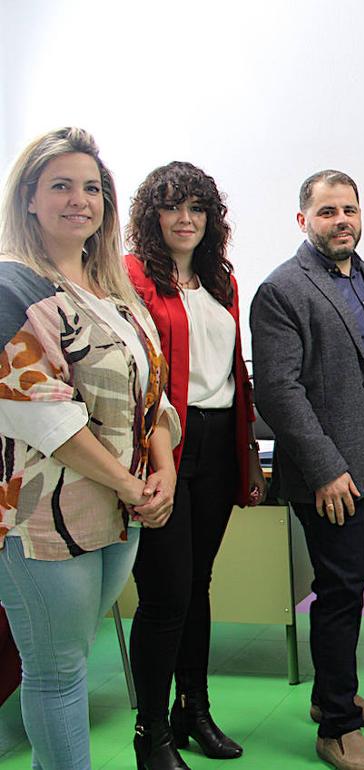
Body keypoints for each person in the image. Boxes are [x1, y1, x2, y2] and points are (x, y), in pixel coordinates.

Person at [0, 127, 179, 769]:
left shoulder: (114, 294)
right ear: (28, 198)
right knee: (57, 672)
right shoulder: (13, 287)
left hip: (121, 509)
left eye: (92, 188)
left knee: (71, 657)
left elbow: (153, 395)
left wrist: (164, 471)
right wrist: (131, 484)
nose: (80, 200)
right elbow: (40, 412)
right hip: (43, 516)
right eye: (61, 186)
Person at [250, 170, 364, 770]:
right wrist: (324, 469)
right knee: (339, 591)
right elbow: (278, 392)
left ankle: (331, 695)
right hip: (330, 476)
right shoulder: (282, 289)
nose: (342, 221)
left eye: (350, 210)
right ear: (303, 220)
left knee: (352, 586)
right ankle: (337, 729)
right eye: (328, 211)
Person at [124, 161, 265, 765]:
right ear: (151, 215)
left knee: (197, 584)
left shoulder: (220, 280)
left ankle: (193, 711)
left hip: (218, 440)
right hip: (164, 447)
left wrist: (248, 454)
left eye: (197, 208)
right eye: (173, 206)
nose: (186, 219)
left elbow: (234, 373)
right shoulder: (130, 277)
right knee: (164, 595)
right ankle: (151, 731)